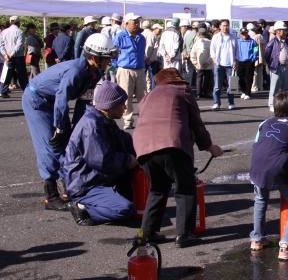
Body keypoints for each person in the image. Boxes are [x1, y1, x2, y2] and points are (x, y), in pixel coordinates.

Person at [22, 34, 117, 210]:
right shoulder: (75, 70)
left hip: (54, 102)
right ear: (94, 57)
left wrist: (77, 128)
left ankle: (70, 187)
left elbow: (83, 102)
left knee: (68, 143)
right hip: (37, 100)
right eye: (107, 58)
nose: (109, 61)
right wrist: (60, 127)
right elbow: (61, 98)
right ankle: (50, 196)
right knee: (50, 145)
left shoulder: (95, 73)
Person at [133, 68, 223, 248]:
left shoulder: (147, 97)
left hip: (143, 147)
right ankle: (184, 235)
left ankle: (146, 233)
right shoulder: (182, 91)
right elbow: (197, 125)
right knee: (185, 188)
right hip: (171, 143)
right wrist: (210, 147)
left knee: (157, 189)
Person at [63, 81, 137, 226]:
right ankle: (82, 208)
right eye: (122, 104)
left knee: (137, 198)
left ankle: (105, 201)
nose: (125, 108)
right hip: (86, 184)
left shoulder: (104, 119)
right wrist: (128, 160)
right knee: (124, 209)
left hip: (97, 178)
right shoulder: (91, 126)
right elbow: (102, 161)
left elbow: (124, 140)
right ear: (110, 105)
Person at [249, 90, 288, 261]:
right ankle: (287, 246)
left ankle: (257, 239)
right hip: (281, 171)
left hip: (257, 169)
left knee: (260, 201)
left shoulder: (264, 123)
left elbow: (258, 145)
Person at [113, 13, 147, 130]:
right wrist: (116, 65)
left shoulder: (142, 37)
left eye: (138, 22)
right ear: (127, 23)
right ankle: (128, 119)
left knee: (143, 96)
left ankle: (144, 119)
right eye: (134, 22)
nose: (137, 24)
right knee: (126, 97)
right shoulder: (120, 36)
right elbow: (113, 52)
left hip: (140, 69)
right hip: (125, 70)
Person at [210, 19, 238, 110]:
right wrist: (215, 61)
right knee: (217, 85)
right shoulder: (216, 37)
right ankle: (216, 103)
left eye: (227, 25)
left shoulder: (233, 37)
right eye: (223, 25)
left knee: (230, 85)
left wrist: (236, 62)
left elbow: (237, 51)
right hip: (219, 64)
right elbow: (212, 50)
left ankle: (231, 103)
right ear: (220, 26)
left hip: (230, 65)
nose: (225, 27)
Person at [265, 21, 288, 112]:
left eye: (285, 30)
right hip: (276, 67)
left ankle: (284, 105)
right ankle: (272, 104)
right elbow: (267, 54)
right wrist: (271, 64)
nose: (285, 32)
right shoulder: (273, 42)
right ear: (277, 31)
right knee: (275, 87)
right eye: (283, 30)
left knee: (286, 88)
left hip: (286, 66)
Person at [0, 16, 28, 95]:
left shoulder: (4, 32)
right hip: (18, 56)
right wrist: (11, 53)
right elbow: (19, 45)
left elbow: (1, 44)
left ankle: (3, 90)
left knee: (6, 74)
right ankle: (26, 90)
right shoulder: (20, 32)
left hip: (7, 57)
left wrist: (5, 54)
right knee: (22, 74)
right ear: (18, 23)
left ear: (10, 22)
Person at [190, 27, 213, 99]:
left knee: (199, 78)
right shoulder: (210, 42)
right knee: (207, 79)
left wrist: (195, 63)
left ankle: (198, 93)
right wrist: (208, 62)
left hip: (199, 64)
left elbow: (192, 54)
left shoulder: (196, 43)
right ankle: (205, 92)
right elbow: (212, 54)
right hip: (208, 65)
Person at [237, 28, 258, 100]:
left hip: (250, 61)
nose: (244, 35)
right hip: (240, 61)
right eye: (242, 34)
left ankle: (248, 92)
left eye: (245, 33)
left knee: (249, 77)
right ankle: (243, 90)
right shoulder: (238, 41)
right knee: (240, 77)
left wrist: (254, 58)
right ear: (240, 34)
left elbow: (255, 50)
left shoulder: (253, 42)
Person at [141, 21, 161, 91]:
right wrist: (151, 59)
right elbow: (156, 48)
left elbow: (140, 48)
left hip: (143, 59)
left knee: (142, 76)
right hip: (152, 60)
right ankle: (154, 92)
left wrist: (145, 58)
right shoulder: (153, 35)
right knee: (153, 76)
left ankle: (142, 91)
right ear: (150, 26)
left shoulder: (141, 35)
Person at [249, 25, 267, 93]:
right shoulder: (263, 37)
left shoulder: (255, 37)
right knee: (260, 72)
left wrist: (254, 55)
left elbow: (254, 47)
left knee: (255, 73)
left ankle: (254, 87)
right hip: (262, 56)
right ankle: (260, 86)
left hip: (256, 56)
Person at [180, 20, 196, 86]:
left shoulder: (187, 34)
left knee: (189, 71)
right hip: (194, 55)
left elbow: (184, 46)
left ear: (185, 27)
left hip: (188, 56)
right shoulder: (193, 34)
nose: (181, 28)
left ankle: (187, 85)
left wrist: (185, 53)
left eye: (182, 27)